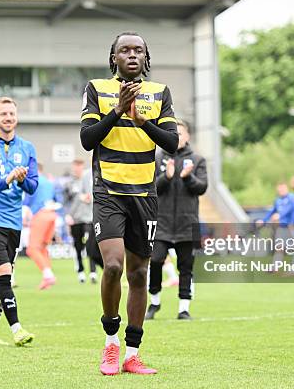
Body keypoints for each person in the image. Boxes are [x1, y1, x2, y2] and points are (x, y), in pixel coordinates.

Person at [80, 31, 178, 375]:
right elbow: (87, 139)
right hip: (108, 193)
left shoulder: (159, 92)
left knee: (138, 274)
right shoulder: (97, 89)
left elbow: (173, 142)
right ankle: (110, 343)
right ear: (114, 58)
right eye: (125, 50)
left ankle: (133, 353)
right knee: (113, 267)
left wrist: (143, 122)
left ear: (146, 57)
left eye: (138, 50)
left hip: (144, 196)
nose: (132, 55)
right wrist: (118, 110)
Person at [0, 96, 37, 346]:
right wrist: (7, 179)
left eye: (11, 113)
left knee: (3, 276)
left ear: (16, 117)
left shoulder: (27, 148)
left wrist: (21, 179)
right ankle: (16, 328)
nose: (8, 118)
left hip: (13, 221)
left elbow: (32, 187)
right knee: (3, 272)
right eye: (3, 114)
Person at [145, 119, 207, 321]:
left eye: (181, 134)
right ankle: (154, 302)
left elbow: (202, 187)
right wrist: (167, 177)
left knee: (186, 266)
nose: (177, 137)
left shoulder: (197, 160)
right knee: (155, 261)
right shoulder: (157, 158)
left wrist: (188, 177)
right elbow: (150, 188)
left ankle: (184, 308)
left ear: (187, 136)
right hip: (161, 223)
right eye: (174, 133)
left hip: (188, 224)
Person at [23, 163, 61, 290]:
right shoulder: (49, 182)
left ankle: (48, 275)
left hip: (40, 215)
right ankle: (47, 278)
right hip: (52, 214)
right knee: (43, 248)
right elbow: (57, 199)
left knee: (32, 249)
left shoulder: (34, 181)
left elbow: (27, 201)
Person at [65, 159, 98, 283]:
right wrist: (67, 215)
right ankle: (80, 271)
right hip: (75, 218)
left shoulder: (89, 179)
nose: (77, 169)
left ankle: (93, 272)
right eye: (75, 167)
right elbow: (66, 201)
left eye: (79, 167)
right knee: (78, 245)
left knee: (91, 245)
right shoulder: (69, 183)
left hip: (89, 217)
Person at [258, 182, 294, 264]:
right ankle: (275, 267)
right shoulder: (277, 200)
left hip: (292, 227)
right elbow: (271, 212)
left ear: (286, 189)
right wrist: (263, 220)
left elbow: (290, 209)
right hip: (281, 227)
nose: (281, 191)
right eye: (279, 190)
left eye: (282, 189)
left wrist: (279, 215)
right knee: (279, 247)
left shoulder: (292, 198)